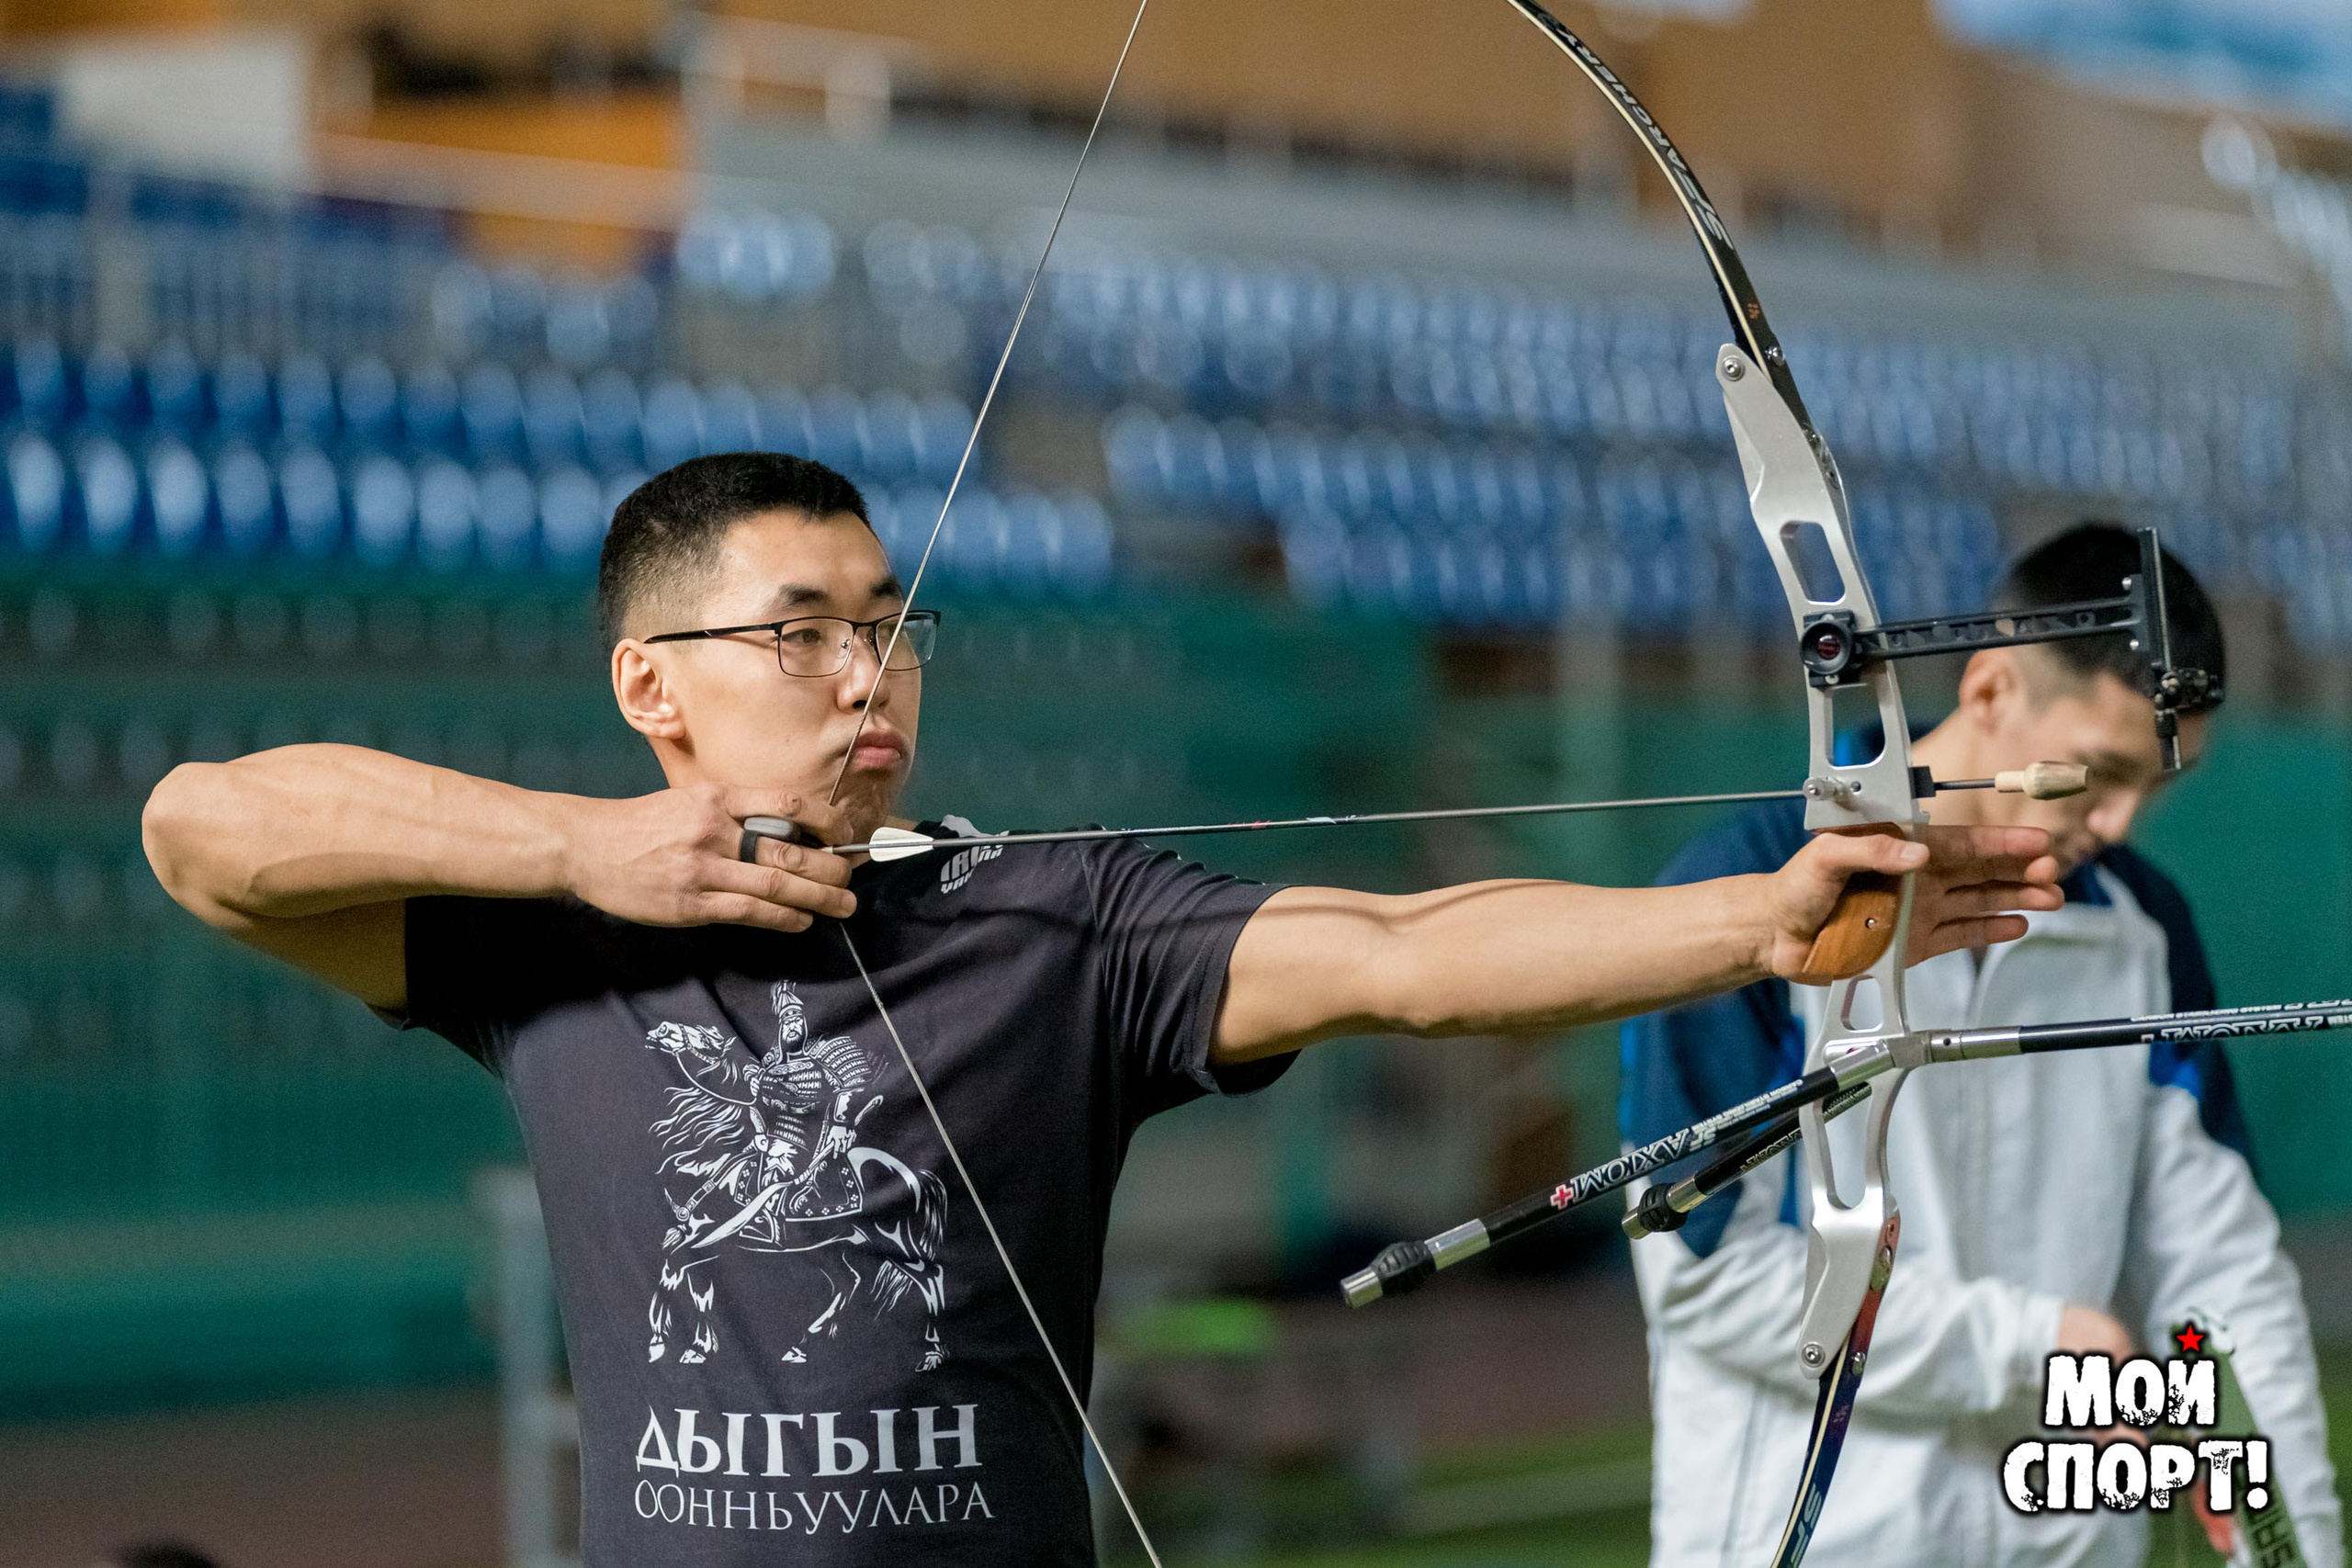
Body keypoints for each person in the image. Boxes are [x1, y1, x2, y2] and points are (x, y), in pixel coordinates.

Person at [141, 451, 2060, 1566]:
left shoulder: (1054, 917)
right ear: (653, 683)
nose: (866, 666)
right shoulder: (542, 931)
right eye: (799, 628)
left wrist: (1755, 917)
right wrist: (589, 855)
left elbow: (1400, 952)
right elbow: (200, 825)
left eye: (889, 620)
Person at [1622, 523, 2340, 1567]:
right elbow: (1705, 1276)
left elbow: (2220, 1271)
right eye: (2100, 774)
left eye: (2156, 785)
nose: (2123, 823)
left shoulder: (2141, 929)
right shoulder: (1738, 896)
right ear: (1994, 691)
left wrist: (2293, 1548)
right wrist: (2033, 1345)